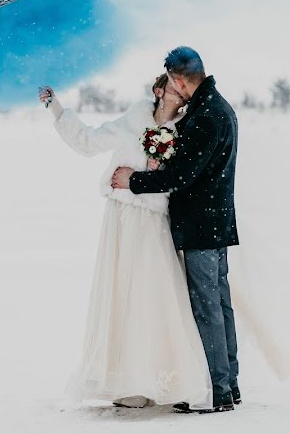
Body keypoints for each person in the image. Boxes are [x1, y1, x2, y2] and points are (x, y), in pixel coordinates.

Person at [39, 74, 213, 410]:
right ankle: (127, 381)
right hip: (121, 218)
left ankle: (162, 379)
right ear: (158, 91)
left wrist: (145, 176)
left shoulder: (184, 127)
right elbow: (89, 142)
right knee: (121, 293)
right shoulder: (134, 119)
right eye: (171, 85)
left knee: (152, 294)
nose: (178, 90)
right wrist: (56, 108)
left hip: (153, 219)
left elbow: (182, 177)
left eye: (182, 86)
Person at [112, 46, 241, 414]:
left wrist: (133, 181)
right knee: (219, 303)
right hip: (215, 220)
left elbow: (183, 175)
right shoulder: (216, 107)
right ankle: (228, 383)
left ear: (180, 79)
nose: (168, 87)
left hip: (202, 223)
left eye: (170, 80)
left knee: (207, 306)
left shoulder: (206, 116)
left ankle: (216, 392)